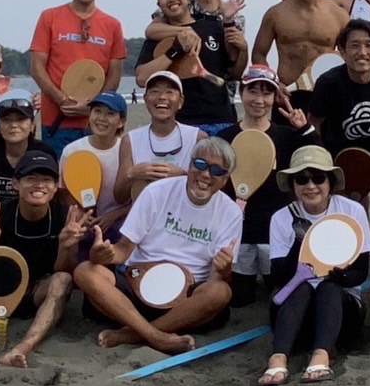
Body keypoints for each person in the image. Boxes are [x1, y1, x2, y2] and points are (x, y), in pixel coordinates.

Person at [75, 136, 244, 353]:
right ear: (189, 165)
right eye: (200, 164)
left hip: (185, 300)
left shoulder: (230, 212)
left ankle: (132, 334)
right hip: (136, 282)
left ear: (225, 179)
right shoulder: (157, 192)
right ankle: (156, 336)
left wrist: (226, 268)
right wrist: (102, 255)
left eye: (216, 170)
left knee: (220, 292)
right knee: (85, 271)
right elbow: (123, 250)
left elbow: (219, 278)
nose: (205, 174)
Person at [0, 152, 81, 374]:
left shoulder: (64, 216)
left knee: (63, 280)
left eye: (46, 179)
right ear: (16, 184)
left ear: (55, 186)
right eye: (31, 178)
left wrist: (66, 246)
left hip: (37, 292)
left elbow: (65, 273)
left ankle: (22, 349)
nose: (39, 185)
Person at [258, 146, 370, 386]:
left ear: (331, 182)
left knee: (328, 288)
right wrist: (299, 243)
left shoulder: (352, 211)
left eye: (318, 178)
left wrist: (337, 276)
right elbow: (279, 276)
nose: (310, 186)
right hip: (295, 309)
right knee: (300, 287)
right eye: (301, 179)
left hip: (341, 311)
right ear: (293, 185)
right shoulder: (281, 217)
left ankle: (322, 355)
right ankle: (278, 358)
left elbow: (360, 273)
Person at [218, 65, 317, 306]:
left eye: (267, 93)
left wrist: (305, 128)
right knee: (240, 298)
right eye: (253, 91)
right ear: (241, 93)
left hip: (275, 233)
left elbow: (317, 163)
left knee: (280, 293)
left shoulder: (287, 136)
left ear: (275, 97)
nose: (259, 100)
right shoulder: (225, 137)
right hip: (239, 234)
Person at [307, 19, 370, 207]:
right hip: (342, 157)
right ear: (342, 51)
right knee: (354, 207)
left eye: (369, 45)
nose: (362, 52)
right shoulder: (328, 82)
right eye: (354, 46)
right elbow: (314, 125)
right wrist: (325, 167)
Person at [29, 0, 125, 154]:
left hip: (96, 124)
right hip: (56, 122)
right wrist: (62, 100)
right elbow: (36, 68)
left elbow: (114, 75)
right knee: (59, 172)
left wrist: (92, 106)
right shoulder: (49, 17)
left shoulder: (112, 25)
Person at [136, 0, 245, 134]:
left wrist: (243, 48)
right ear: (159, 5)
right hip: (179, 124)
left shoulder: (214, 27)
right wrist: (175, 49)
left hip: (221, 120)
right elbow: (142, 78)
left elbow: (234, 71)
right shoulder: (157, 38)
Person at [249, 0, 351, 87]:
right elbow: (258, 54)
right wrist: (274, 83)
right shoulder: (276, 13)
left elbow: (350, 54)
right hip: (286, 93)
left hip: (325, 92)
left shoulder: (339, 16)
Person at [114, 71, 204, 204]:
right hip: (146, 213)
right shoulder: (130, 140)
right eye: (155, 91)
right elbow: (119, 198)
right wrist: (132, 174)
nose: (162, 97)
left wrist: (183, 176)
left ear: (180, 101)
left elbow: (207, 189)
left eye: (169, 92)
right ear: (145, 100)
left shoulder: (198, 138)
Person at [58, 92, 128, 232]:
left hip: (120, 224)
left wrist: (113, 216)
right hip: (82, 223)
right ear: (89, 115)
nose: (102, 118)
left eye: (110, 113)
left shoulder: (128, 150)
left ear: (121, 122)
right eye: (97, 111)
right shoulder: (72, 150)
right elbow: (63, 192)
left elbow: (139, 197)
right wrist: (81, 214)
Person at [0, 94, 57, 207]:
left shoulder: (44, 152)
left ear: (32, 125)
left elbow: (50, 192)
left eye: (20, 119)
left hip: (35, 209)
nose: (13, 125)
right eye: (6, 120)